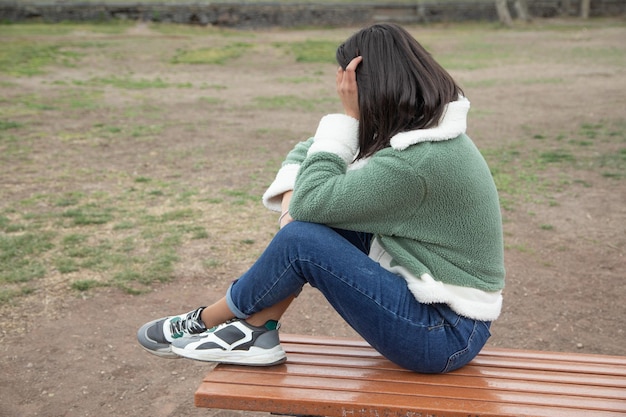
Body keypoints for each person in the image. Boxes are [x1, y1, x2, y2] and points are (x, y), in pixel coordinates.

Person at [137, 22, 505, 373]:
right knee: (308, 228)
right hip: (442, 314)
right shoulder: (422, 131)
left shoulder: (416, 162)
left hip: (443, 333)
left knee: (302, 238)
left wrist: (346, 122)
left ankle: (206, 321)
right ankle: (255, 330)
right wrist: (298, 214)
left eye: (347, 84)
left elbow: (310, 200)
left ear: (366, 87)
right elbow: (309, 152)